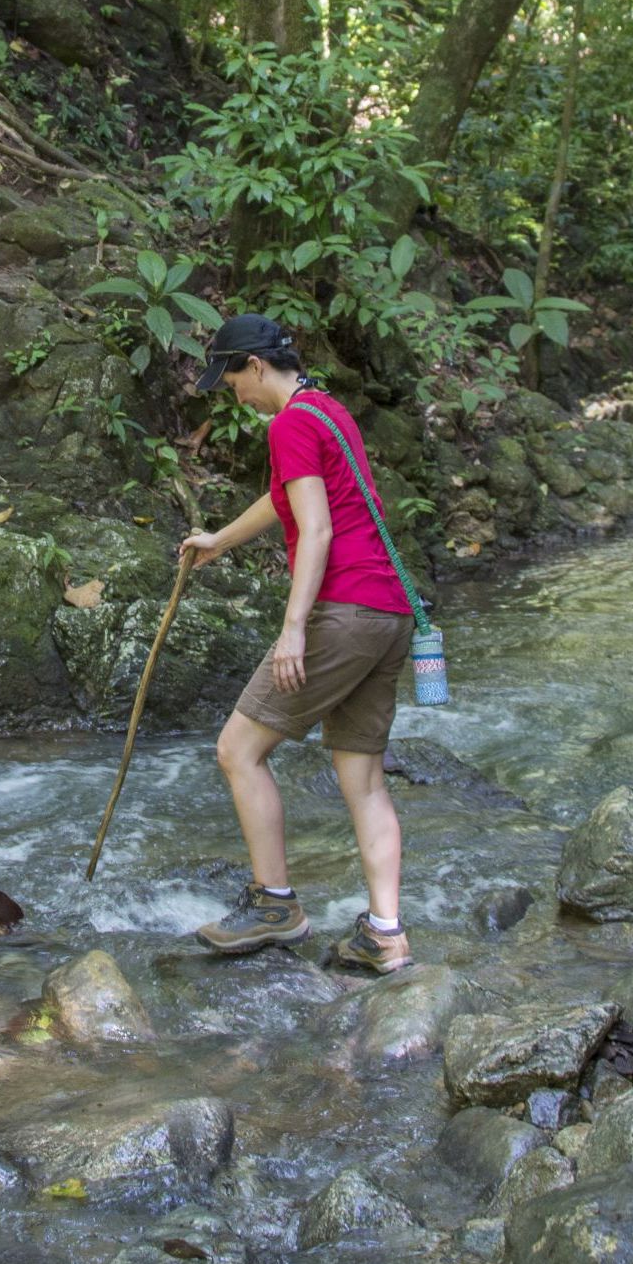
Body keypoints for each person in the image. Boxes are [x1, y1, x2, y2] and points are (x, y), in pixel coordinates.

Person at [177, 313, 416, 974]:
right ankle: (385, 933)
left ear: (253, 365)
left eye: (230, 380)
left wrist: (291, 630)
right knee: (361, 776)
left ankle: (275, 904)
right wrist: (219, 540)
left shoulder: (288, 423)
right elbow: (290, 496)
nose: (232, 395)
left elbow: (314, 530)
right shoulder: (325, 411)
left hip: (342, 611)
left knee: (237, 749)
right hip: (389, 613)